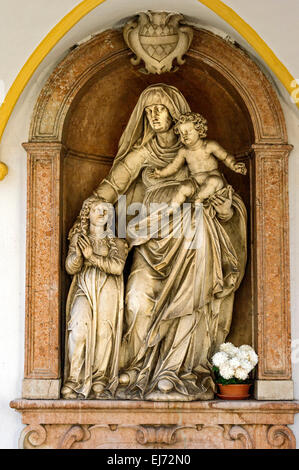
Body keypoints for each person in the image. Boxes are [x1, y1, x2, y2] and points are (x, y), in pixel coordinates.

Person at [92, 83, 247, 400]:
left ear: (177, 115)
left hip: (191, 245)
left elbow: (225, 205)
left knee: (190, 304)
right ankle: (138, 368)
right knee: (136, 301)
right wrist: (90, 208)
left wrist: (225, 208)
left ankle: (174, 372)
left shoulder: (200, 151)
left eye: (160, 108)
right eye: (148, 110)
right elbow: (113, 184)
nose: (153, 115)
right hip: (150, 244)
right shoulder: (145, 153)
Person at [61, 197, 128, 399]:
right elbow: (70, 267)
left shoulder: (117, 242)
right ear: (87, 214)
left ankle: (100, 378)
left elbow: (117, 267)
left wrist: (91, 257)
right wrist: (79, 256)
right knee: (79, 328)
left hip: (108, 290)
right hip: (84, 288)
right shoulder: (79, 239)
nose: (101, 214)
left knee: (103, 333)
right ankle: (74, 378)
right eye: (96, 210)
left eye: (105, 210)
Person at [153, 112, 247, 205]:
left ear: (199, 130)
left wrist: (234, 165)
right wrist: (161, 173)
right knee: (183, 187)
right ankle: (171, 209)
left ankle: (197, 200)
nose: (184, 135)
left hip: (213, 179)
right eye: (181, 133)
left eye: (188, 132)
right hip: (195, 182)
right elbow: (174, 167)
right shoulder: (184, 151)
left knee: (213, 181)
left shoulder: (209, 145)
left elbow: (225, 157)